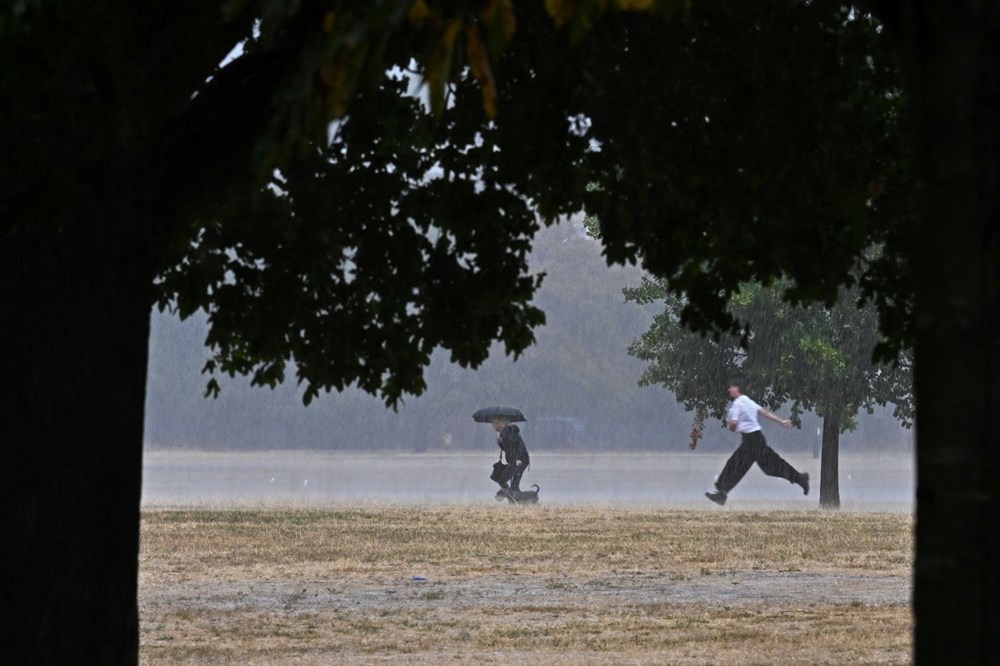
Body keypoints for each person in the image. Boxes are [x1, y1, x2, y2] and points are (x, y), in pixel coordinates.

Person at [704, 379, 810, 506]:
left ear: (737, 388)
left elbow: (733, 424)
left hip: (751, 440)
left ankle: (722, 492)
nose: (729, 390)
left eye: (731, 387)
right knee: (766, 466)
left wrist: (729, 426)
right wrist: (781, 421)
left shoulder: (737, 404)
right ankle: (800, 478)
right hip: (756, 438)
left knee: (736, 465)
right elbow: (764, 412)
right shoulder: (748, 401)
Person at [493, 419, 530, 492]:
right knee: (504, 481)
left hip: (519, 461)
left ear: (501, 424)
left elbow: (519, 446)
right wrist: (500, 443)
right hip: (514, 460)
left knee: (513, 484)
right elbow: (508, 448)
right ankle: (512, 497)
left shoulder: (509, 432)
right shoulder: (505, 433)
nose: (493, 425)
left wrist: (519, 459)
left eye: (495, 423)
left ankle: (517, 499)